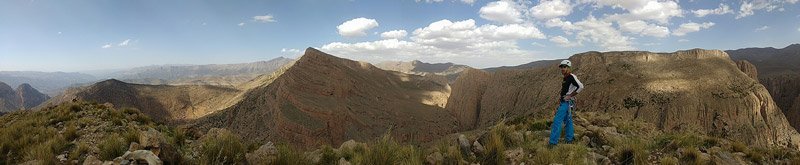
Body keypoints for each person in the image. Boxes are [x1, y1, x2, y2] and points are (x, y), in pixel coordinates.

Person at [548, 60, 584, 148]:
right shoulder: (566, 78)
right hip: (565, 102)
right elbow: (566, 90)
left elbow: (581, 86)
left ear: (569, 67)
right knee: (568, 121)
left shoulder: (571, 77)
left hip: (567, 103)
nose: (562, 69)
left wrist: (570, 95)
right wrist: (561, 98)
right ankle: (569, 139)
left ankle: (553, 143)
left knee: (557, 121)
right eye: (561, 67)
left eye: (565, 67)